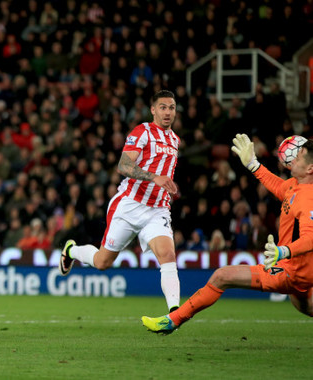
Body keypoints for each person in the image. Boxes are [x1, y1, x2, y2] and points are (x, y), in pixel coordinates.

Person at [142, 134, 313, 334]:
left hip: (293, 272)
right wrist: (253, 164)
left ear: (310, 168)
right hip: (299, 271)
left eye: (299, 157)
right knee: (305, 306)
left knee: (222, 276)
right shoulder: (294, 185)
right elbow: (278, 186)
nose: (293, 158)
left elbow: (310, 238)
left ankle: (172, 320)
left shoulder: (308, 197)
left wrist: (283, 251)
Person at [59, 90, 181, 312]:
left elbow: (164, 173)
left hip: (157, 210)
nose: (167, 112)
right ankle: (71, 251)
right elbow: (123, 166)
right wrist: (154, 178)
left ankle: (175, 313)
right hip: (130, 205)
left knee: (167, 255)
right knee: (102, 262)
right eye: (162, 107)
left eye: (171, 108)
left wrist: (168, 187)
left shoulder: (175, 140)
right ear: (153, 110)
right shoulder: (142, 131)